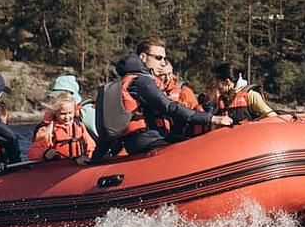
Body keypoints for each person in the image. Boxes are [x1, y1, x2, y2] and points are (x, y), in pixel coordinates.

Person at [94, 39, 230, 158]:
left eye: (164, 59)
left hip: (139, 142)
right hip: (148, 141)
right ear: (143, 57)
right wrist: (211, 118)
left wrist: (95, 158)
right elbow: (169, 107)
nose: (163, 63)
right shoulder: (141, 82)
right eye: (158, 58)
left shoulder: (128, 80)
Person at [27, 90, 96, 162]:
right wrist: (45, 153)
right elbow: (31, 152)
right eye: (63, 114)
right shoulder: (46, 130)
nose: (67, 117)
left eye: (70, 113)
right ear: (55, 112)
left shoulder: (79, 126)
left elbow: (91, 146)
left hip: (78, 166)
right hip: (56, 168)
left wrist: (88, 157)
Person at [208, 64, 276, 123]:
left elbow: (273, 118)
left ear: (227, 82)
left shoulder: (251, 96)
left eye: (217, 82)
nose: (216, 85)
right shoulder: (221, 100)